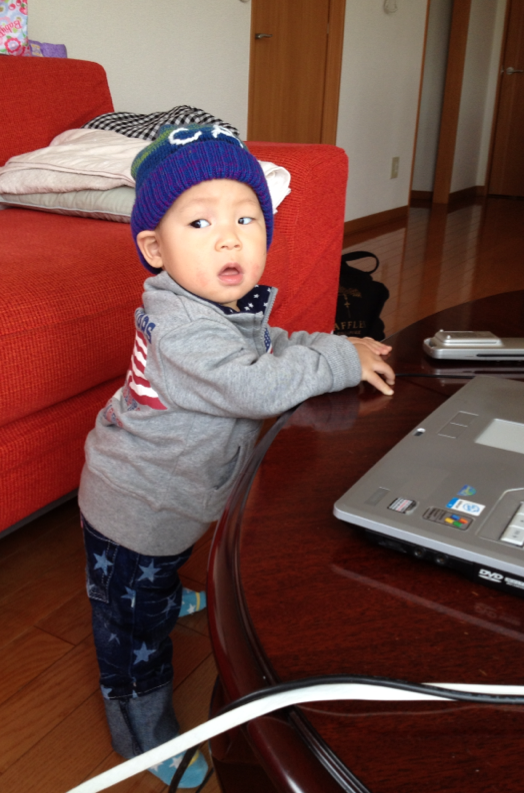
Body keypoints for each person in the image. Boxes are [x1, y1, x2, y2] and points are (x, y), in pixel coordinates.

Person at [78, 124, 395, 787]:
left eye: (246, 219)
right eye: (200, 222)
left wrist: (331, 344)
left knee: (158, 578)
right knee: (131, 635)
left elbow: (270, 346)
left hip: (169, 498)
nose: (229, 238)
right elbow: (257, 384)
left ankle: (163, 594)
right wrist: (339, 359)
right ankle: (140, 733)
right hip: (134, 507)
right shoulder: (183, 328)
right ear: (155, 249)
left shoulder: (214, 305)